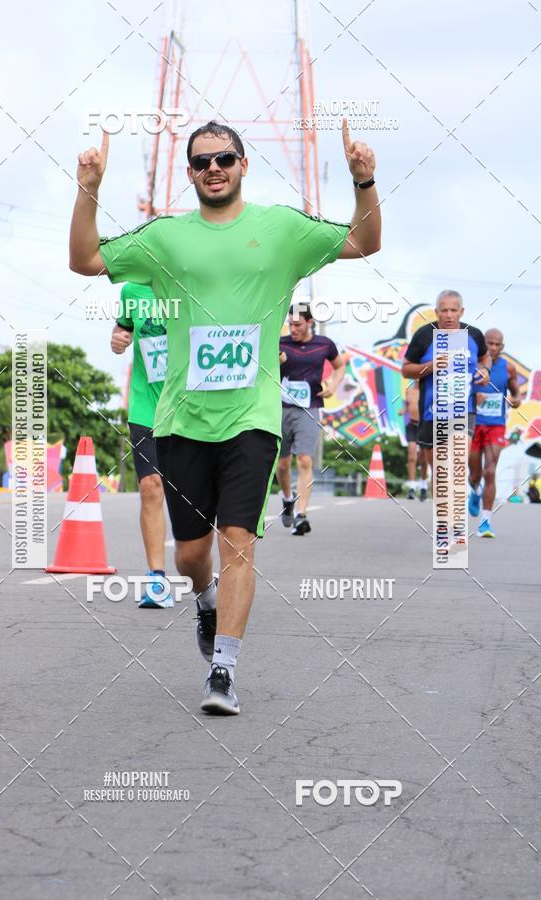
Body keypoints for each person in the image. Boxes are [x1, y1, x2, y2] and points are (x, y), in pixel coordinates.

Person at [70, 117, 381, 715]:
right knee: (192, 554)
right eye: (202, 161)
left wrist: (363, 181)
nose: (214, 168)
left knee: (238, 540)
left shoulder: (283, 229)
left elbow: (363, 242)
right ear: (189, 173)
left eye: (225, 159)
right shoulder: (165, 239)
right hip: (182, 422)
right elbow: (84, 259)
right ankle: (204, 601)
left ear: (243, 165)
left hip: (253, 418)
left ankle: (224, 670)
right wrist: (90, 187)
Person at [111, 281, 171, 605]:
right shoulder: (132, 292)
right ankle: (157, 580)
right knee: (150, 486)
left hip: (191, 408)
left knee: (196, 496)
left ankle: (201, 569)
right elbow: (122, 333)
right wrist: (117, 341)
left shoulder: (192, 279)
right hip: (146, 405)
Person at [401, 291, 491, 479]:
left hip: (463, 409)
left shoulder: (473, 335)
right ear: (436, 312)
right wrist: (430, 366)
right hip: (432, 411)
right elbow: (406, 369)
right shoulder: (424, 335)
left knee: (458, 462)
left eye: (453, 310)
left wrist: (486, 370)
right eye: (444, 310)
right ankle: (445, 507)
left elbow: (485, 357)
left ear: (461, 311)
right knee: (441, 474)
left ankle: (457, 505)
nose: (449, 315)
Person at [277, 305, 346, 534]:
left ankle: (301, 513)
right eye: (290, 324)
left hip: (309, 408)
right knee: (282, 464)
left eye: (297, 324)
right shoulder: (280, 343)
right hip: (280, 408)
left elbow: (339, 365)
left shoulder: (324, 344)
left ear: (309, 323)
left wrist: (333, 386)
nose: (293, 329)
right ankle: (288, 499)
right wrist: (278, 361)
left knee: (305, 460)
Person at [468, 328, 520, 537]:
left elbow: (516, 393)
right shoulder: (472, 365)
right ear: (483, 344)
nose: (493, 348)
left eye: (497, 344)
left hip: (496, 425)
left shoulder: (509, 368)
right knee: (475, 473)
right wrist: (473, 398)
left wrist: (515, 400)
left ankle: (485, 522)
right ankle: (475, 489)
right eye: (489, 343)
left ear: (502, 346)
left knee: (490, 471)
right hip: (472, 424)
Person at [399, 381, 428, 500]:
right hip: (412, 426)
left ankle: (423, 486)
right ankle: (411, 488)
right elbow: (407, 406)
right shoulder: (409, 391)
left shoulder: (427, 390)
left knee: (423, 458)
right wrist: (403, 411)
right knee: (411, 456)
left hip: (424, 425)